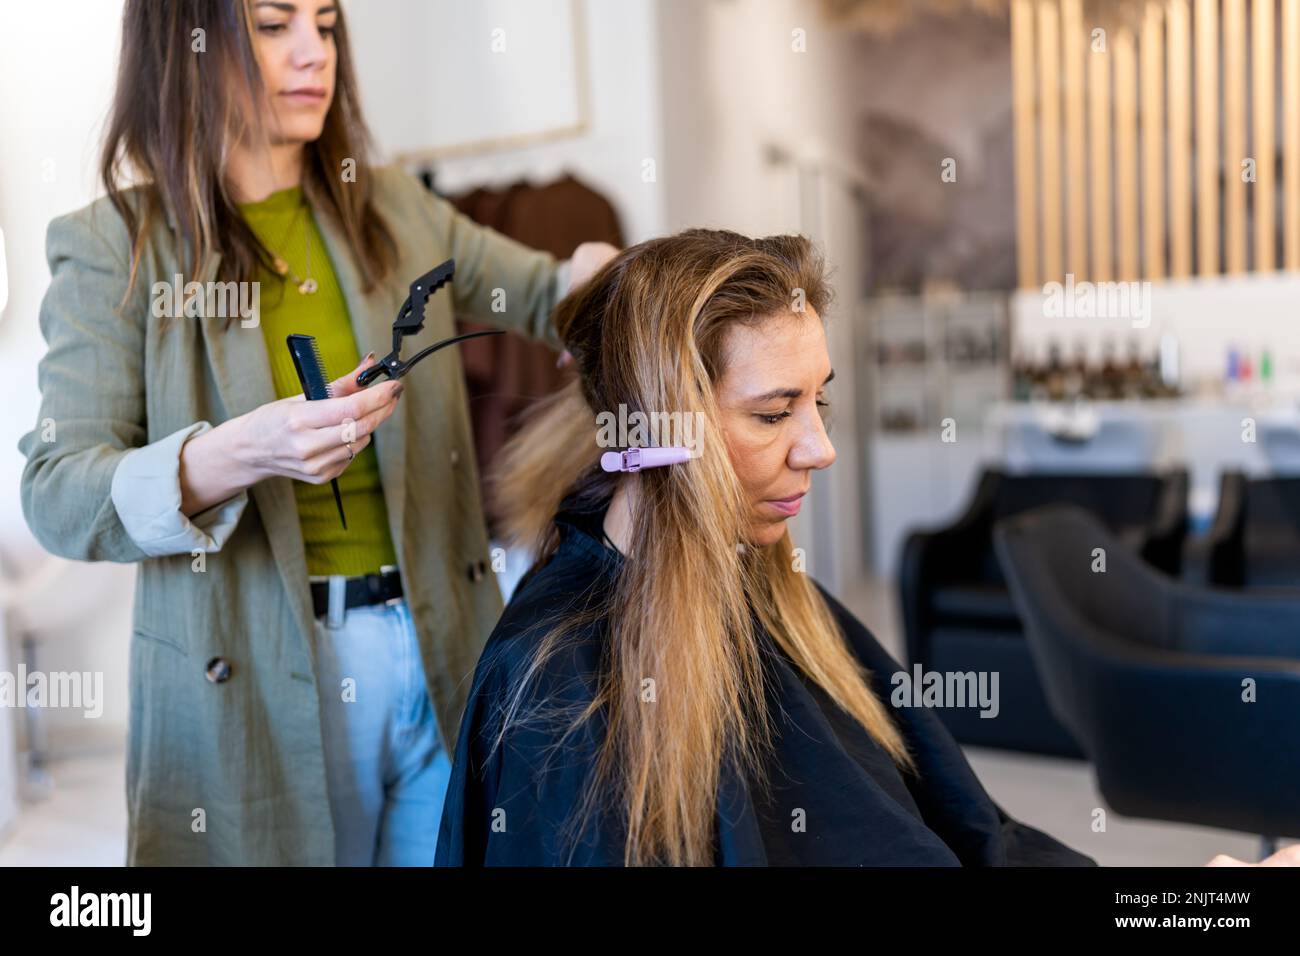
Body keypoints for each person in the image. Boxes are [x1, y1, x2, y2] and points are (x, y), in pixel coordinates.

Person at [434, 229, 1300, 867]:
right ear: (660, 427)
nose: (820, 448)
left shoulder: (780, 600)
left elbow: (977, 839)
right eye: (774, 413)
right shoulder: (556, 682)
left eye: (820, 402)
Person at [18, 0, 615, 865]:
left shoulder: (393, 208)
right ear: (184, 44)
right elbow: (57, 492)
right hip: (262, 674)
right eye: (273, 24)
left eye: (327, 24)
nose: (314, 53)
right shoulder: (115, 247)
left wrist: (597, 277)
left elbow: (543, 292)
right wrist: (238, 452)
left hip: (443, 646)